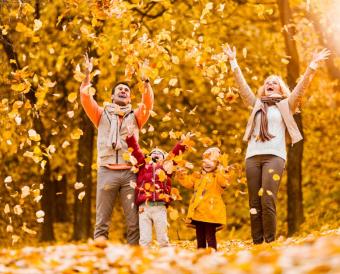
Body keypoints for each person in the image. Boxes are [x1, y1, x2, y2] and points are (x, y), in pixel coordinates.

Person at [223, 44, 330, 244]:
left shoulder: (286, 105)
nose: (270, 83)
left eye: (275, 82)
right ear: (264, 88)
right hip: (252, 157)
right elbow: (242, 87)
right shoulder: (256, 103)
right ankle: (257, 243)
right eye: (267, 82)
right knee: (254, 202)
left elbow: (300, 90)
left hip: (274, 156)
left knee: (267, 198)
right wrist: (233, 62)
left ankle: (269, 243)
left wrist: (312, 67)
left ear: (280, 88)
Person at [79, 53, 154, 246]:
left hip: (130, 174)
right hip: (106, 171)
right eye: (119, 89)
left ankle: (134, 256)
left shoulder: (136, 117)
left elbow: (147, 104)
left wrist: (145, 80)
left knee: (133, 221)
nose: (123, 90)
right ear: (112, 96)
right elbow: (86, 99)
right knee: (102, 220)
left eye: (126, 90)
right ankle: (98, 257)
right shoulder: (101, 115)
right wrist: (87, 74)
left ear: (129, 98)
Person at [125, 131, 191, 247]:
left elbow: (175, 155)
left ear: (164, 158)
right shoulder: (142, 166)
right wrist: (130, 137)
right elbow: (135, 151)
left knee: (163, 238)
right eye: (153, 153)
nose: (155, 154)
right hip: (143, 208)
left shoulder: (166, 167)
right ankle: (144, 260)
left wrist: (182, 143)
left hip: (159, 207)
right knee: (145, 240)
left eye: (159, 153)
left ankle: (166, 259)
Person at [176, 147, 229, 250]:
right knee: (200, 236)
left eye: (211, 161)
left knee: (210, 236)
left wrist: (223, 170)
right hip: (198, 213)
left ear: (218, 163)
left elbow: (224, 182)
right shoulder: (198, 176)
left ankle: (212, 254)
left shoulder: (217, 177)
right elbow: (188, 182)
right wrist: (181, 176)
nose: (207, 164)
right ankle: (201, 253)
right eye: (205, 161)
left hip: (211, 213)